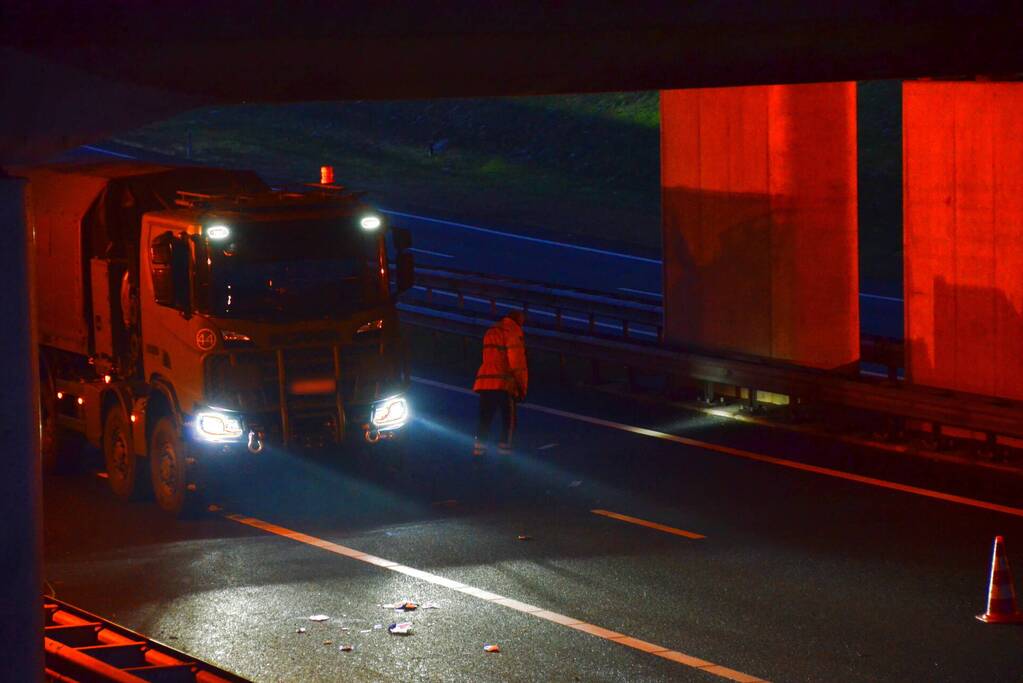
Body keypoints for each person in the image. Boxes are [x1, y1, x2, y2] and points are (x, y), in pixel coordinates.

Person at [472, 309, 528, 455]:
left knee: (485, 419)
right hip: (504, 384)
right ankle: (504, 455)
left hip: (485, 382)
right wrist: (522, 387)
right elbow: (517, 363)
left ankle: (479, 452)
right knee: (508, 422)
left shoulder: (491, 331)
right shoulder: (513, 332)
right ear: (518, 320)